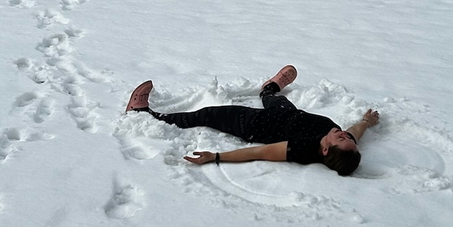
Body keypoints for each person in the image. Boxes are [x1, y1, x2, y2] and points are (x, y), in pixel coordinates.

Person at [124, 65, 379, 176]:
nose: (345, 134)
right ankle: (269, 88)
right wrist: (366, 121)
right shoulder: (343, 141)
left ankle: (145, 115)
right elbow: (355, 131)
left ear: (324, 150)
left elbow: (259, 152)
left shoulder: (301, 149)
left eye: (342, 139)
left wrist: (216, 156)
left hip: (253, 123)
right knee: (273, 97)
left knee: (207, 114)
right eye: (348, 139)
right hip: (288, 112)